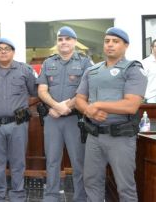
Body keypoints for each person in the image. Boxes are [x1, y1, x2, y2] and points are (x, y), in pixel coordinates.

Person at [75, 27, 147, 201]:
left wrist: (97, 105)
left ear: (126, 45)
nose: (110, 45)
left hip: (120, 137)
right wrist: (88, 111)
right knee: (91, 182)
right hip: (94, 136)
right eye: (107, 41)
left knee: (125, 187)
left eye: (115, 41)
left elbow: (131, 105)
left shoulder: (133, 69)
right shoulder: (92, 70)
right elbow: (78, 99)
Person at [0, 37, 38, 202]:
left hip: (18, 124)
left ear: (13, 52)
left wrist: (22, 105)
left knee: (18, 162)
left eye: (7, 48)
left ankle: (17, 194)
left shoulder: (25, 70)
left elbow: (35, 94)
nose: (3, 51)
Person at [37, 26, 92, 202]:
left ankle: (80, 197)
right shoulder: (48, 62)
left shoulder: (85, 63)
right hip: (52, 118)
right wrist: (56, 106)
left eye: (67, 39)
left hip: (75, 120)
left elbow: (86, 91)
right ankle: (51, 196)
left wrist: (66, 106)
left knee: (78, 162)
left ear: (74, 42)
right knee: (52, 160)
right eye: (60, 39)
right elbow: (42, 90)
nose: (64, 42)